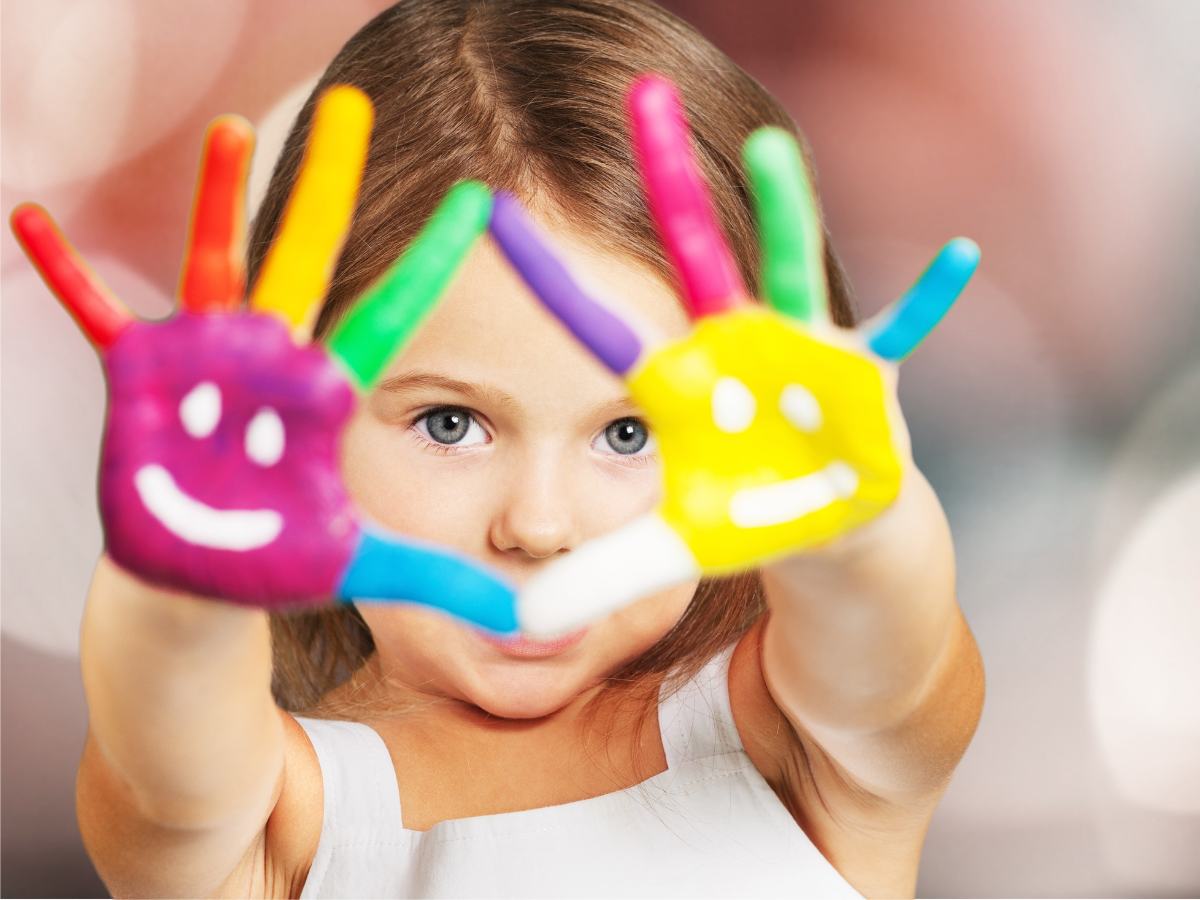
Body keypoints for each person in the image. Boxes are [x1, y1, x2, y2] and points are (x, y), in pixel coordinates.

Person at [68, 1, 984, 897]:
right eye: (450, 424)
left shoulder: (797, 743)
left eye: (630, 433)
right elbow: (165, 768)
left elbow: (885, 655)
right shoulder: (275, 822)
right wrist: (179, 590)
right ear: (303, 431)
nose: (538, 526)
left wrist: (857, 530)